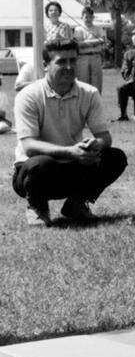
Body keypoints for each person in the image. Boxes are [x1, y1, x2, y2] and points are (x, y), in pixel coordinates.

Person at [12, 38, 127, 226]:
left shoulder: (89, 93)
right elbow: (29, 145)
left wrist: (94, 145)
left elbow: (104, 137)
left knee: (115, 157)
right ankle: (37, 206)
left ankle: (76, 204)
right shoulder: (29, 95)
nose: (69, 66)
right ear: (45, 65)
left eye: (73, 60)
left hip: (72, 164)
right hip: (32, 173)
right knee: (39, 164)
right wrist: (70, 151)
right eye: (61, 61)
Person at [73, 6, 105, 92]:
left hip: (96, 57)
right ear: (82, 17)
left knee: (96, 83)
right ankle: (84, 104)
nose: (88, 19)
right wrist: (95, 42)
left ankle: (96, 103)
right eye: (86, 17)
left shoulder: (98, 28)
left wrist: (86, 42)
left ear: (93, 17)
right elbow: (79, 44)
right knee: (83, 83)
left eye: (90, 17)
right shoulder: (78, 29)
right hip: (83, 58)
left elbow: (102, 40)